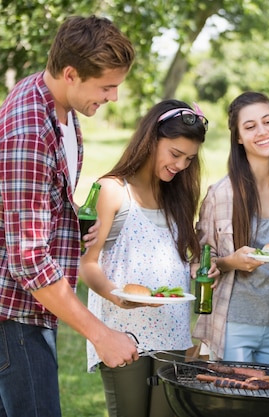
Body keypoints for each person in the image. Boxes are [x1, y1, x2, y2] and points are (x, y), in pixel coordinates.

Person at [0, 15, 137, 417]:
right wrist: (101, 335)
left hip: (32, 312)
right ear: (71, 74)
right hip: (14, 319)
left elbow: (31, 197)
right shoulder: (28, 131)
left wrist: (70, 215)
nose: (113, 97)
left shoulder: (57, 101)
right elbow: (28, 261)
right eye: (107, 86)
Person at [78, 99, 209, 417]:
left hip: (172, 331)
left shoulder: (176, 195)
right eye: (175, 154)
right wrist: (117, 297)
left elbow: (178, 257)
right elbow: (87, 264)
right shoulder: (112, 191)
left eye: (189, 159)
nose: (180, 165)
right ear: (151, 139)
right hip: (123, 332)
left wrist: (199, 268)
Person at [191, 91, 269, 367]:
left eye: (268, 122)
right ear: (239, 138)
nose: (263, 131)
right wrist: (230, 262)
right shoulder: (222, 194)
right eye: (250, 126)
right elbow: (199, 263)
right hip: (235, 323)